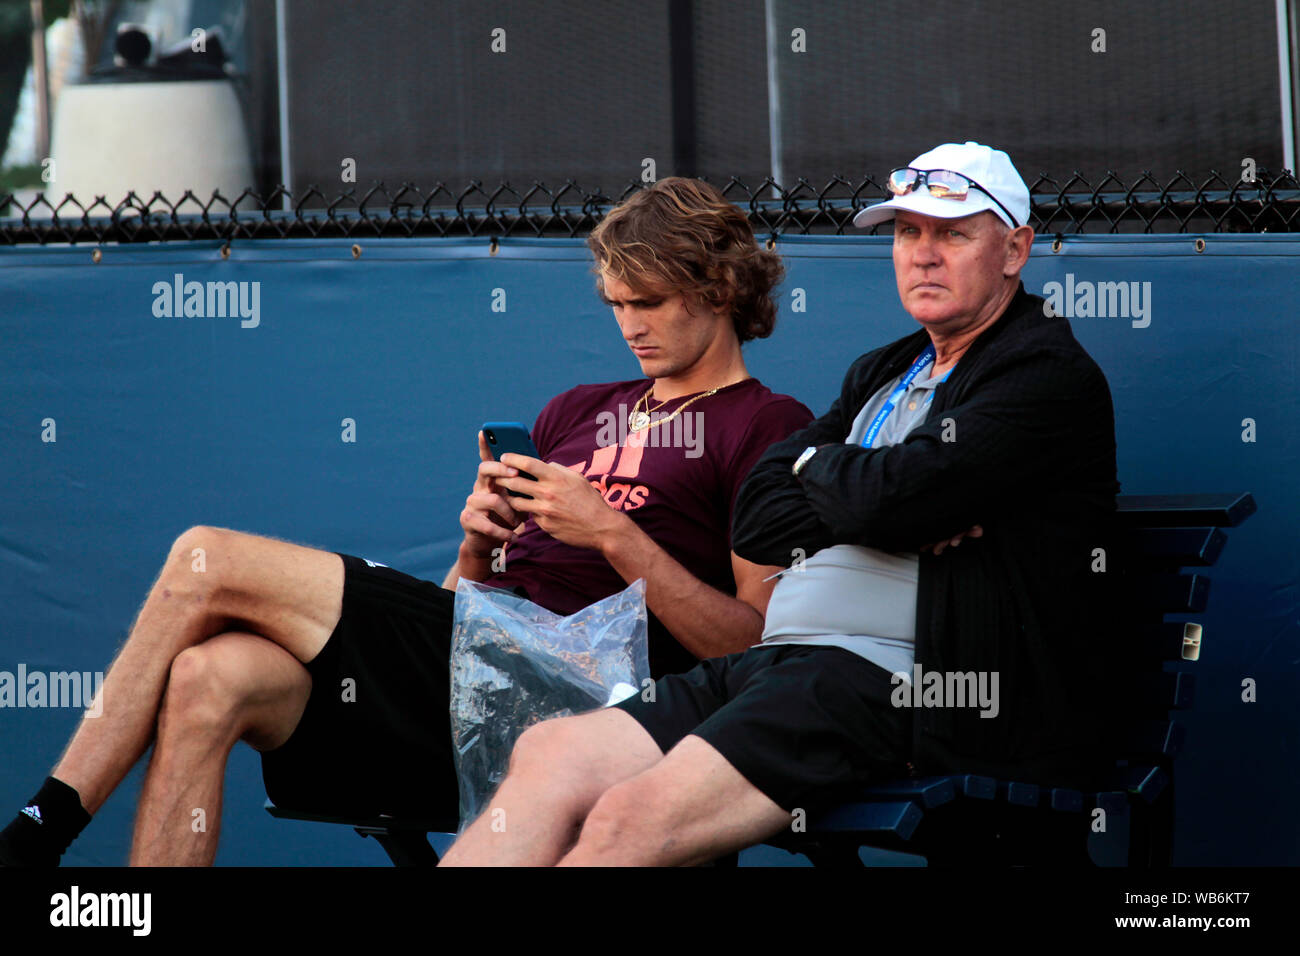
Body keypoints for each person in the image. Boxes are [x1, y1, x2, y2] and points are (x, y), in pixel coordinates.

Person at [0, 177, 812, 866]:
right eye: (615, 303)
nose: (628, 323)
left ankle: (42, 830)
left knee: (205, 557)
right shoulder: (575, 410)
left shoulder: (767, 423)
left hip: (598, 701)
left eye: (650, 302)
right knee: (211, 677)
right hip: (475, 677)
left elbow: (754, 647)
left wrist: (611, 534)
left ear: (719, 290)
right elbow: (464, 599)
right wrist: (478, 545)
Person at [439, 142, 1122, 867]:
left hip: (911, 683)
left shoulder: (1043, 371)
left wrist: (858, 488)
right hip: (782, 665)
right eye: (906, 233)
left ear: (1015, 249)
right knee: (551, 754)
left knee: (628, 818)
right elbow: (763, 516)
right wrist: (864, 489)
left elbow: (890, 500)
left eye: (951, 233)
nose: (923, 255)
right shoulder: (886, 369)